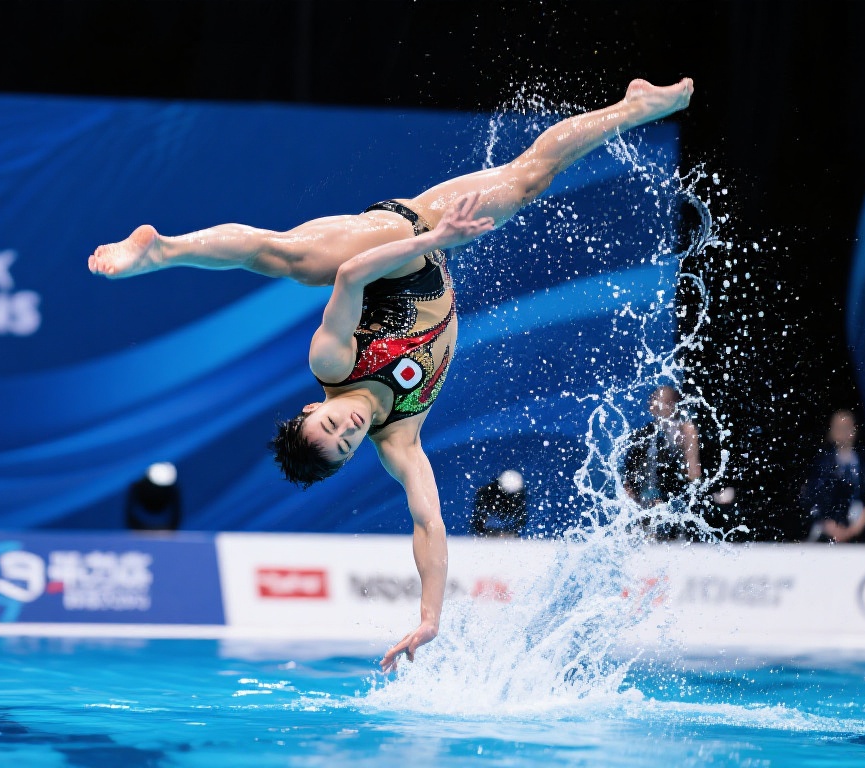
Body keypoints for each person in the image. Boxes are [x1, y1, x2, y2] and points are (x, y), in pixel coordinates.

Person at [89, 78, 695, 672]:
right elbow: (428, 522)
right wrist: (429, 617)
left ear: (313, 407)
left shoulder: (332, 364)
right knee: (530, 177)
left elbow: (351, 275)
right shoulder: (399, 440)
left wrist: (434, 238)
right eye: (346, 442)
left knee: (292, 258)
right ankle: (632, 107)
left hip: (392, 243)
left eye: (331, 423)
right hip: (430, 241)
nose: (349, 426)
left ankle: (162, 249)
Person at [621, 385, 702, 538]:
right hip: (654, 493)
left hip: (677, 492)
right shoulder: (646, 434)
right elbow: (631, 466)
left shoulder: (687, 430)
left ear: (676, 404)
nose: (655, 406)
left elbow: (694, 472)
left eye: (664, 402)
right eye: (654, 402)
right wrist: (630, 488)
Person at [800, 409, 865, 543]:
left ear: (855, 430)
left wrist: (858, 525)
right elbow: (810, 496)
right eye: (838, 428)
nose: (843, 432)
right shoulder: (821, 464)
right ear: (830, 431)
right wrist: (826, 523)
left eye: (847, 427)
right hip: (826, 529)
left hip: (859, 529)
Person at [471, 469, 528, 537]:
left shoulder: (518, 499)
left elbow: (521, 519)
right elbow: (479, 514)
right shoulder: (488, 495)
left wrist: (513, 532)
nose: (509, 498)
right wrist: (481, 530)